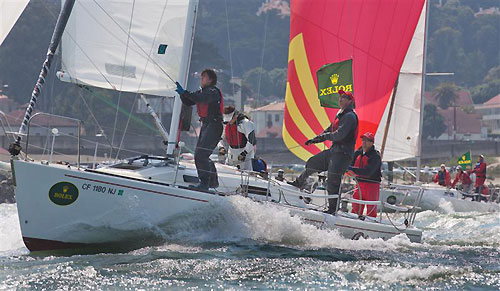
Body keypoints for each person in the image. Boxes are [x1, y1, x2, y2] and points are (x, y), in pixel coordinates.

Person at [288, 90, 358, 214]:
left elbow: (339, 135)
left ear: (350, 101)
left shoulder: (350, 116)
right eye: (340, 97)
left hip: (343, 154)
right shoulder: (340, 115)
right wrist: (315, 139)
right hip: (334, 151)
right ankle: (299, 183)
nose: (340, 99)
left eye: (344, 97)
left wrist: (325, 137)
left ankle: (332, 210)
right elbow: (329, 130)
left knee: (333, 181)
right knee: (313, 162)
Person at [176, 69, 223, 190]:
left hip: (214, 125)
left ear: (210, 80)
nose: (201, 79)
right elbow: (189, 101)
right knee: (201, 155)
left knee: (201, 155)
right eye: (201, 77)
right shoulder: (201, 92)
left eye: (204, 77)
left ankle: (205, 184)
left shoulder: (212, 92)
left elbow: (202, 99)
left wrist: (185, 92)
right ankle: (211, 182)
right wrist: (182, 94)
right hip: (207, 125)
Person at [348, 132, 382, 218]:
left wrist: (351, 169)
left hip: (372, 186)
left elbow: (368, 172)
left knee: (371, 212)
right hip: (358, 185)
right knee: (355, 210)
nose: (364, 142)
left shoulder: (375, 156)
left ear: (372, 143)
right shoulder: (357, 153)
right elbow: (349, 165)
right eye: (363, 140)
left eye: (367, 141)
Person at [218, 106, 256, 170]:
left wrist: (244, 153)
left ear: (235, 116)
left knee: (245, 173)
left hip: (244, 153)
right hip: (231, 153)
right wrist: (221, 147)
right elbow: (220, 138)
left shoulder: (245, 123)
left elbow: (252, 141)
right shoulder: (225, 124)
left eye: (230, 120)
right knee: (228, 170)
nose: (229, 122)